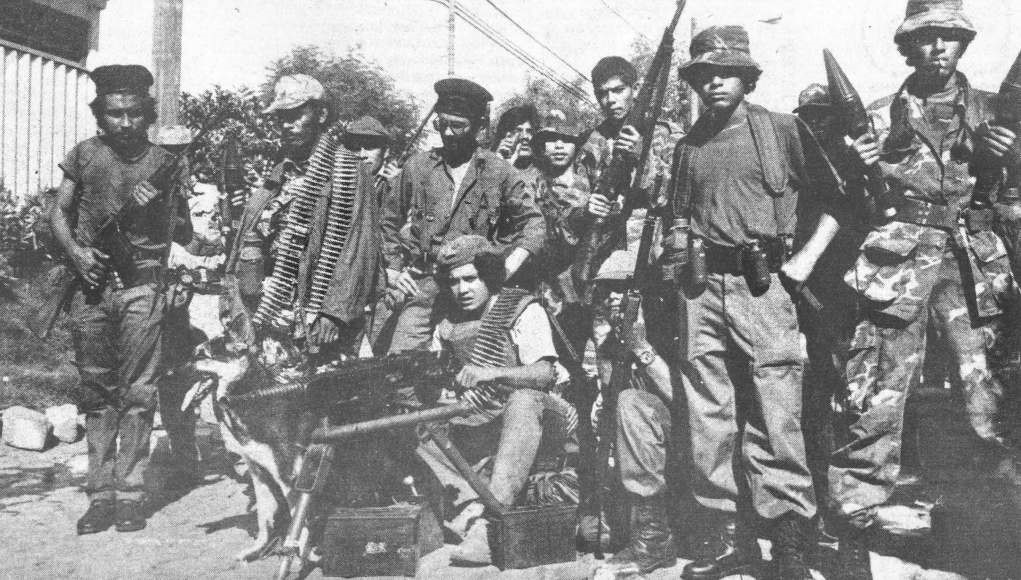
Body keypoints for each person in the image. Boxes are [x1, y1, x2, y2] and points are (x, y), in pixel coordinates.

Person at [829, 2, 1018, 577]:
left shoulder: (995, 111)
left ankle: (985, 529)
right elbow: (851, 206)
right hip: (898, 268)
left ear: (964, 44)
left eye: (948, 37)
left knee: (987, 400)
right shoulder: (878, 116)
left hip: (971, 269)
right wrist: (855, 167)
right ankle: (854, 529)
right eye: (926, 37)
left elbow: (1009, 197)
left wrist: (1010, 158)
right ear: (906, 46)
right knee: (875, 398)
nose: (937, 47)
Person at [663, 25, 847, 579]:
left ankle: (789, 540)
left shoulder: (781, 130)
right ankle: (726, 539)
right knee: (708, 415)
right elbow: (677, 215)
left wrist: (804, 261)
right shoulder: (688, 147)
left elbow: (838, 200)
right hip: (701, 289)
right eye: (705, 74)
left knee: (775, 410)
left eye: (728, 73)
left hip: (763, 285)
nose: (715, 83)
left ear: (747, 78)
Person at [49, 64, 193, 534]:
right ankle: (100, 495)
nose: (126, 123)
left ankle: (130, 493)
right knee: (97, 392)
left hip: (142, 287)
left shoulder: (165, 163)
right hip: (90, 288)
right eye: (115, 113)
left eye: (135, 113)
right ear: (100, 114)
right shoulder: (84, 155)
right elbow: (58, 213)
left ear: (148, 114)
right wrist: (76, 253)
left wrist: (163, 204)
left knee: (138, 392)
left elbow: (183, 231)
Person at [416, 234, 576, 566]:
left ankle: (491, 523)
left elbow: (544, 373)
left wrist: (491, 374)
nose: (462, 289)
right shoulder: (447, 325)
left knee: (524, 400)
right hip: (483, 422)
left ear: (488, 275)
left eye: (470, 279)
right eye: (454, 282)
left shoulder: (521, 308)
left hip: (537, 422)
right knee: (419, 422)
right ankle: (469, 509)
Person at [380, 78, 545, 354]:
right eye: (441, 124)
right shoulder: (418, 167)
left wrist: (506, 268)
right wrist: (393, 269)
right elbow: (387, 218)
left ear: (479, 126)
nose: (448, 133)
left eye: (458, 126)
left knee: (474, 362)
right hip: (426, 284)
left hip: (475, 290)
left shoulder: (498, 171)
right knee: (401, 360)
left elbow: (534, 224)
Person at [586, 250, 677, 578]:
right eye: (606, 289)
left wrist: (641, 346)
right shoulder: (607, 339)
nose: (612, 297)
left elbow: (683, 400)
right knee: (588, 534)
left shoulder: (669, 324)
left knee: (631, 403)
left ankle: (652, 540)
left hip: (687, 441)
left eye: (621, 288)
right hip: (638, 454)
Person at [492, 104, 540, 181]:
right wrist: (499, 161)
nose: (525, 136)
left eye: (529, 131)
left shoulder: (542, 174)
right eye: (518, 130)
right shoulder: (487, 165)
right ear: (506, 135)